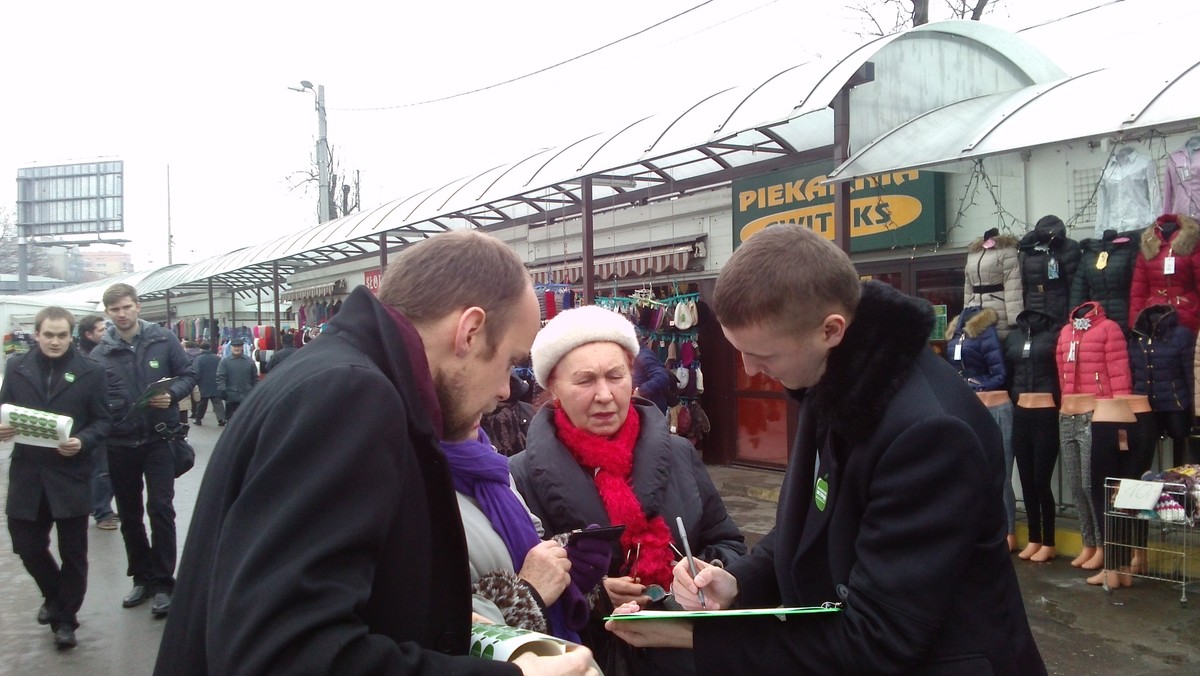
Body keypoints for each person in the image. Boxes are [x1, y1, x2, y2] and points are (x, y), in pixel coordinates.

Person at [606, 225, 1045, 674]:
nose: (751, 369)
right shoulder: (837, 377)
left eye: (764, 354)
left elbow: (881, 639)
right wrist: (739, 581)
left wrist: (697, 637)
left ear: (831, 329)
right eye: (739, 350)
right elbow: (813, 522)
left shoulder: (927, 434)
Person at [155, 230, 595, 675]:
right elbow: (284, 653)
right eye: (508, 363)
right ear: (470, 331)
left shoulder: (331, 375)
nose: (505, 390)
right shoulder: (351, 395)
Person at [509, 305, 746, 675]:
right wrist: (594, 594)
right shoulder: (520, 477)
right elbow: (520, 594)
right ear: (553, 388)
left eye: (615, 376)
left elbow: (729, 543)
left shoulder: (680, 454)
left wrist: (707, 572)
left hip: (690, 657)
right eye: (585, 380)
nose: (604, 394)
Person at [2, 306, 112, 649]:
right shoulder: (16, 367)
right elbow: (4, 406)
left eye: (62, 335)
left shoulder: (91, 371)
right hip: (28, 472)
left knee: (74, 552)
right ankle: (54, 596)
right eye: (48, 334)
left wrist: (83, 441)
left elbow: (103, 421)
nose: (55, 341)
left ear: (71, 336)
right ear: (36, 334)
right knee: (26, 544)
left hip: (70, 473)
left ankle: (67, 620)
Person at [88, 283, 197, 619]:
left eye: (126, 307)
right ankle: (142, 577)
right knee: (130, 514)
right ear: (107, 313)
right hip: (120, 443)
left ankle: (165, 581)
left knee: (161, 508)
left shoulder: (162, 339)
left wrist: (174, 393)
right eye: (114, 310)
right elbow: (91, 401)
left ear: (137, 306)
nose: (121, 314)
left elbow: (189, 373)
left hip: (159, 439)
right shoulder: (99, 355)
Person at [77, 313, 120, 531]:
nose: (106, 333)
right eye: (101, 330)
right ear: (88, 334)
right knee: (100, 469)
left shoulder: (106, 353)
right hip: (92, 422)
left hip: (107, 418)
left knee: (109, 468)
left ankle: (102, 506)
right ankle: (102, 512)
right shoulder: (83, 358)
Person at [215, 337, 256, 420]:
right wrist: (222, 390)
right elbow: (220, 376)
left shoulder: (249, 361)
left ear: (242, 347)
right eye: (234, 346)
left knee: (245, 419)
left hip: (246, 395)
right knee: (231, 420)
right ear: (230, 348)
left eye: (239, 346)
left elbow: (255, 378)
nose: (236, 348)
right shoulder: (225, 362)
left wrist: (255, 391)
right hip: (231, 396)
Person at [632, 335, 673, 413]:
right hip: (646, 406)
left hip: (651, 408)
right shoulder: (636, 354)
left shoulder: (643, 356)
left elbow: (662, 377)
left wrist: (641, 390)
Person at [190, 341, 224, 426]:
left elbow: (196, 372)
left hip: (203, 384)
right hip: (215, 383)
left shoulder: (198, 359)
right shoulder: (217, 358)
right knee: (217, 403)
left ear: (201, 349)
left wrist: (195, 382)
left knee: (202, 404)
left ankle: (198, 419)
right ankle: (221, 419)